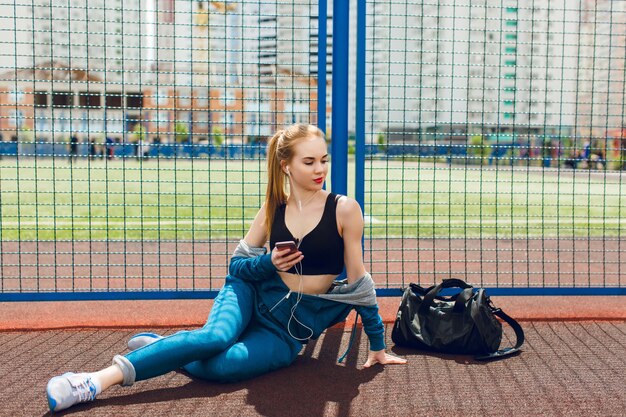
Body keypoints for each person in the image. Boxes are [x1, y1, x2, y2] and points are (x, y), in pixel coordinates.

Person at [45, 124, 406, 412]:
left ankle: (166, 348)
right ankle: (93, 381)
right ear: (287, 165)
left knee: (222, 368)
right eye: (308, 162)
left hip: (285, 334)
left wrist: (377, 345)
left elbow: (360, 284)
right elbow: (237, 266)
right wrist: (269, 262)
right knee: (214, 338)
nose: (319, 169)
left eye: (323, 160)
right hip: (248, 293)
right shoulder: (272, 209)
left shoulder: (345, 210)